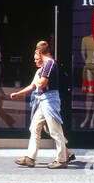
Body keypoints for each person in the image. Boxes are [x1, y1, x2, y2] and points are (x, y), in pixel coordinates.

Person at [8, 40, 69, 168]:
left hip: (49, 100)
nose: (36, 58)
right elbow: (34, 85)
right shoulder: (45, 66)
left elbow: (41, 84)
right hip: (43, 100)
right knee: (34, 127)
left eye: (37, 54)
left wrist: (39, 78)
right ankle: (30, 157)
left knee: (55, 130)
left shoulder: (50, 63)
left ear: (41, 52)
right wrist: (18, 93)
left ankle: (62, 159)